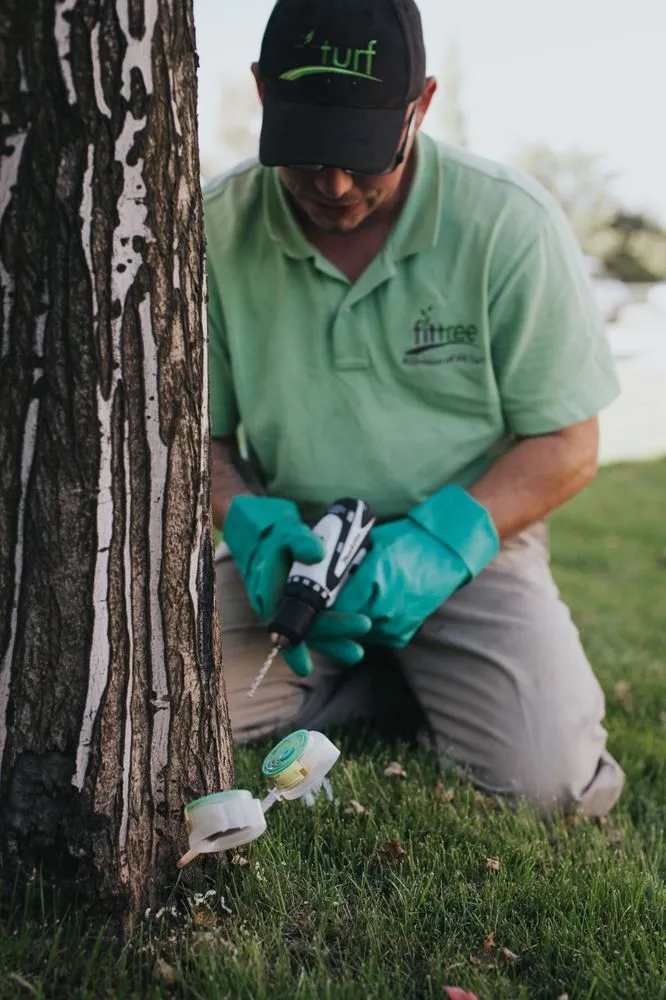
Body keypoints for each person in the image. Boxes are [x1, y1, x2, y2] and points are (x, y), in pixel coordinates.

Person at [204, 0, 624, 816]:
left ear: (421, 105)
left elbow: (569, 442)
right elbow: (202, 440)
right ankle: (388, 683)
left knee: (549, 791)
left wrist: (438, 544)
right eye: (308, 153)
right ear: (261, 94)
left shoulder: (509, 222)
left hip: (468, 546)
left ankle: (415, 670)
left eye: (365, 155)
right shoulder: (212, 227)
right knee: (173, 723)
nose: (333, 185)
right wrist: (249, 522)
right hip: (293, 548)